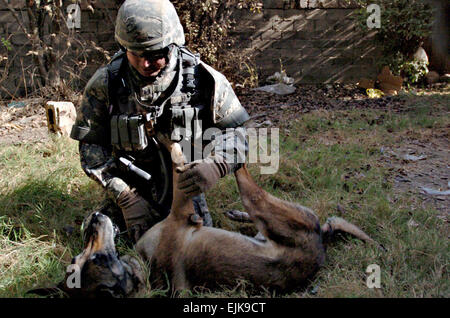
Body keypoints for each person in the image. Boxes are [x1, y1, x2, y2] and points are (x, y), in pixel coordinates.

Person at [70, 0, 249, 243]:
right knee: (101, 238)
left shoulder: (202, 80)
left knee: (194, 250)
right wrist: (124, 196)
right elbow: (91, 148)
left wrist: (217, 165)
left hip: (186, 186)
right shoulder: (106, 84)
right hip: (130, 186)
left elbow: (238, 135)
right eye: (136, 54)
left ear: (171, 45)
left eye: (154, 55)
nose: (145, 64)